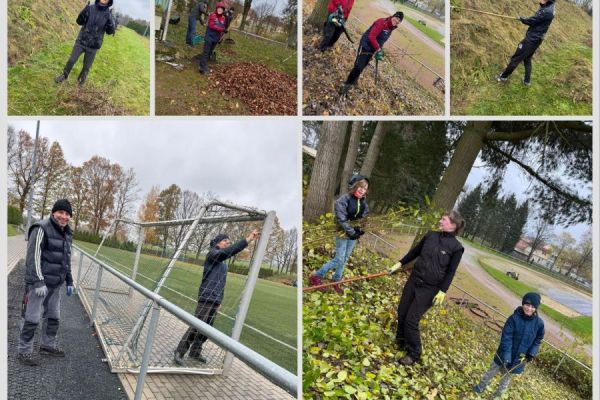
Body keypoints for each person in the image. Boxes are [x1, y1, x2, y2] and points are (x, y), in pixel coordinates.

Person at [389, 210, 465, 366]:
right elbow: (415, 252)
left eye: (443, 219)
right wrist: (400, 263)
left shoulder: (457, 248)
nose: (440, 221)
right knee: (402, 312)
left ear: (452, 224)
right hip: (414, 280)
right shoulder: (431, 235)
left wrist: (443, 291)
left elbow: (451, 272)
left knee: (411, 320)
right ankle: (401, 342)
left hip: (430, 289)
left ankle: (414, 353)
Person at [174, 230, 260, 364]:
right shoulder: (213, 254)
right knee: (196, 326)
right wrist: (247, 239)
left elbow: (222, 283)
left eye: (228, 242)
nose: (228, 243)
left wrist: (219, 301)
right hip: (206, 298)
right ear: (218, 242)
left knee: (207, 329)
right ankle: (180, 351)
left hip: (215, 299)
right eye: (225, 240)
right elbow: (227, 252)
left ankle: (195, 351)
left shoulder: (224, 264)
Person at [18, 199, 74, 366]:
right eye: (60, 212)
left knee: (53, 317)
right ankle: (24, 350)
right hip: (38, 285)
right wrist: (38, 281)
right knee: (31, 318)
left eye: (67, 214)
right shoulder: (41, 228)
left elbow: (66, 260)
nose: (63, 216)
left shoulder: (67, 233)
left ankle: (47, 345)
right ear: (53, 213)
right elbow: (33, 257)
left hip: (55, 285)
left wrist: (69, 281)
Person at [473, 292, 545, 398]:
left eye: (532, 307)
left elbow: (538, 339)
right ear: (523, 304)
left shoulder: (539, 324)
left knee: (505, 381)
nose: (529, 309)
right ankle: (480, 387)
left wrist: (532, 353)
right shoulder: (514, 318)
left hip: (518, 359)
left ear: (536, 308)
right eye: (527, 305)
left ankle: (496, 396)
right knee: (491, 372)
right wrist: (506, 356)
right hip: (503, 354)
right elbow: (506, 337)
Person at [308, 175, 369, 294]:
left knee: (345, 259)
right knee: (339, 259)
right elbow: (341, 219)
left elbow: (364, 217)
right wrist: (351, 231)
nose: (362, 190)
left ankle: (336, 281)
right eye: (361, 187)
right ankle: (316, 276)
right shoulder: (344, 199)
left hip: (353, 235)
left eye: (365, 188)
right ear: (355, 186)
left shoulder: (363, 202)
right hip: (342, 233)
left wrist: (360, 230)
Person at [55, 0, 116, 87]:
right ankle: (64, 76)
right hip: (81, 41)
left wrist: (110, 20)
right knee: (71, 60)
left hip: (93, 45)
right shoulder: (90, 8)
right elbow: (79, 22)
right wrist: (84, 10)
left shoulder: (108, 14)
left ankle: (80, 82)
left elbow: (110, 32)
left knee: (86, 67)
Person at [340, 11, 403, 95]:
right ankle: (346, 85)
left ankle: (354, 80)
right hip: (365, 45)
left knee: (363, 66)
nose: (397, 20)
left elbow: (381, 40)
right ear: (393, 16)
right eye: (397, 18)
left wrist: (379, 48)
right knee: (358, 66)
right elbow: (371, 36)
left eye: (399, 20)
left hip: (372, 49)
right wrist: (378, 49)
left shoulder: (391, 28)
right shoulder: (382, 22)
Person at [496, 0, 555, 87]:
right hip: (538, 38)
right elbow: (538, 17)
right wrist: (542, 4)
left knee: (516, 57)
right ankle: (527, 81)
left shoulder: (547, 11)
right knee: (527, 58)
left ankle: (503, 77)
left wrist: (522, 19)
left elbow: (532, 20)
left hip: (532, 39)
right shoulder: (550, 7)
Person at [198, 2, 227, 75]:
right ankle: (201, 68)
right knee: (206, 52)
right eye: (219, 8)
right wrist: (222, 29)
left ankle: (204, 65)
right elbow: (211, 26)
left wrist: (223, 34)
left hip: (216, 38)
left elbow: (223, 27)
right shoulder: (212, 15)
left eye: (221, 9)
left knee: (210, 52)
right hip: (209, 37)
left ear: (223, 10)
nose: (220, 10)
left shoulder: (223, 18)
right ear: (216, 9)